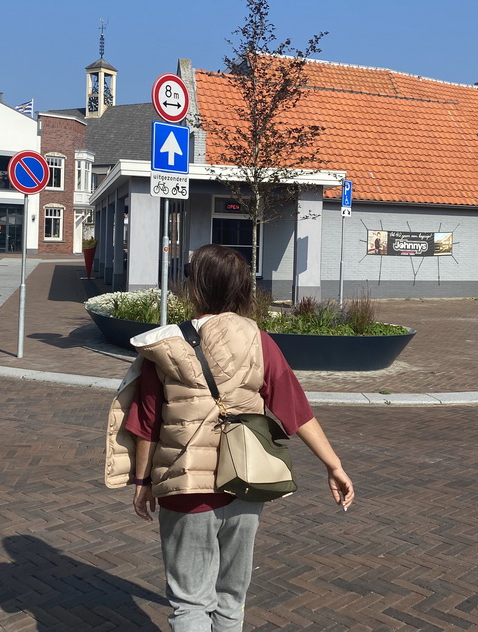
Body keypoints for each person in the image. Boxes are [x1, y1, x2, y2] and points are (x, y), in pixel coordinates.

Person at [105, 244, 355, 632]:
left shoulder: (165, 344)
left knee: (190, 601)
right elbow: (295, 410)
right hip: (247, 482)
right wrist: (333, 465)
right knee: (231, 600)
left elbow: (148, 422)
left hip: (185, 486)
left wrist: (142, 482)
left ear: (195, 287)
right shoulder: (260, 341)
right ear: (242, 290)